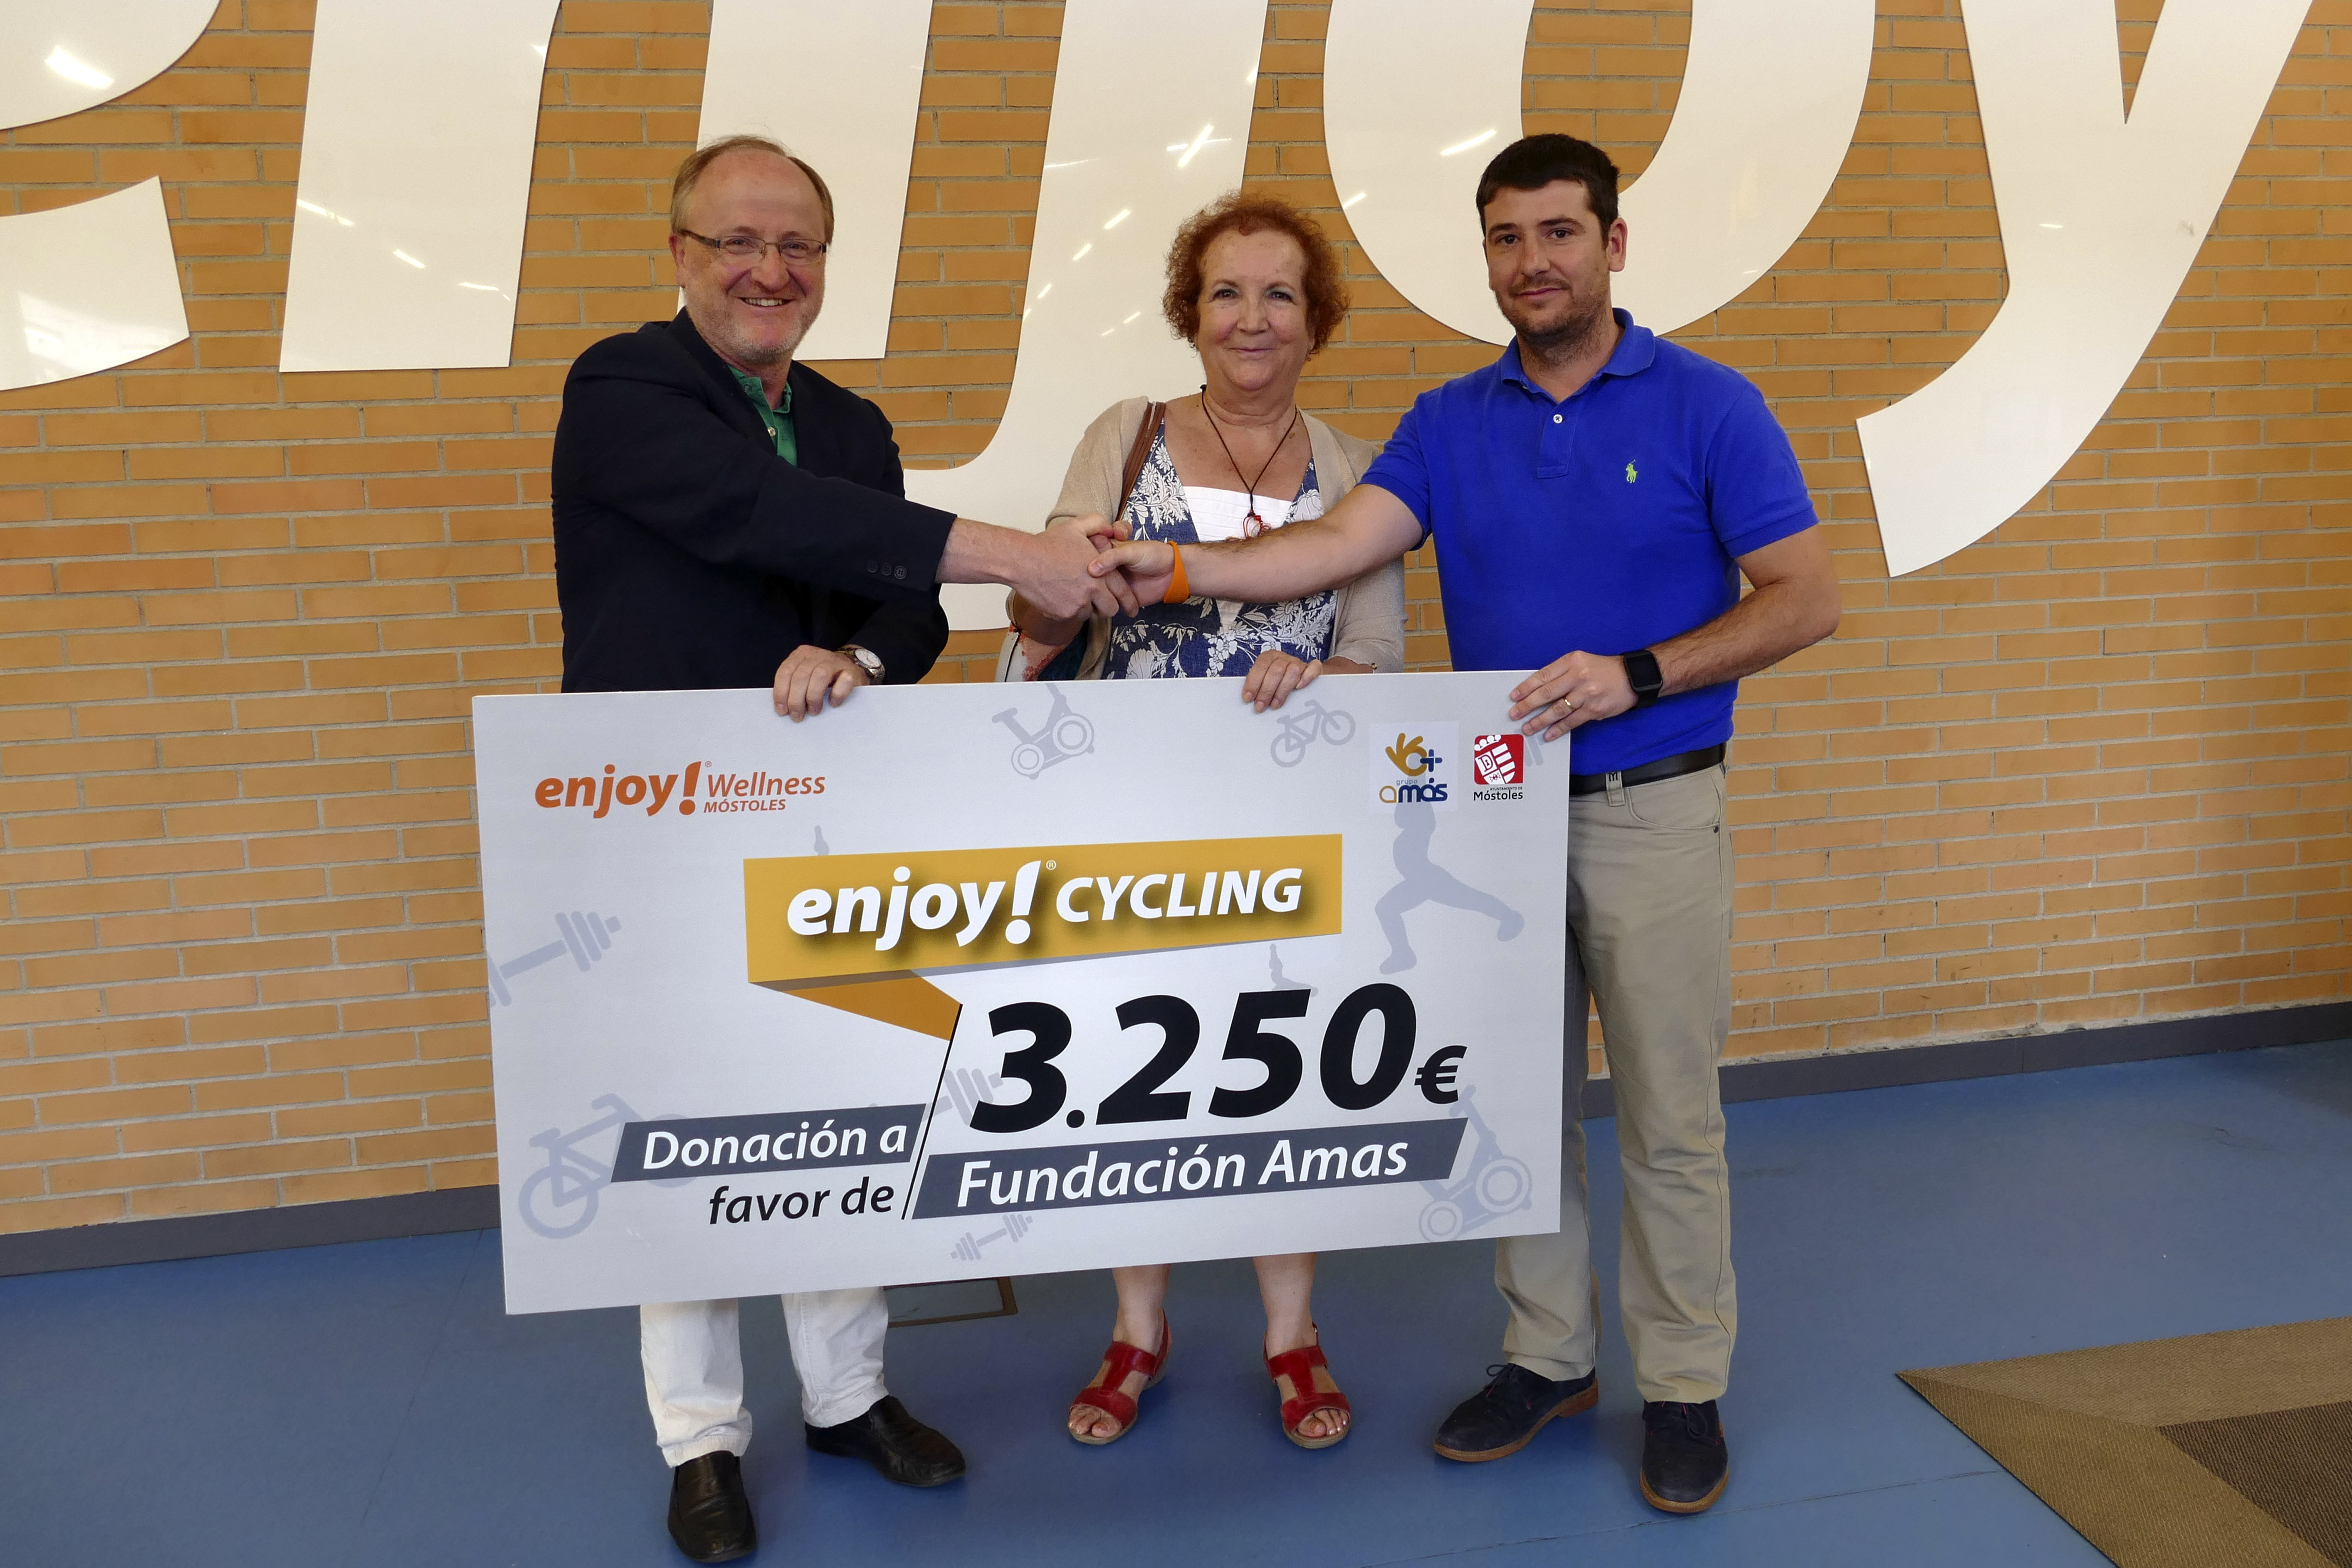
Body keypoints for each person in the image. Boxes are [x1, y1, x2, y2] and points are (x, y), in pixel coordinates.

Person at [1089, 134, 1841, 1514]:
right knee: (1516, 1110)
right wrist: (1178, 567)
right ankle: (1548, 1358)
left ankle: (1684, 1385)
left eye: (1559, 233)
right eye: (1507, 238)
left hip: (1654, 807)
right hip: (1498, 815)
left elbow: (1806, 596)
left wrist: (1641, 673)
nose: (1532, 262)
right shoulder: (1448, 421)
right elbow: (1332, 548)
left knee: (1670, 1121)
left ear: (1613, 245)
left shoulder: (1710, 406)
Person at [552, 134, 1141, 1565]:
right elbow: (765, 517)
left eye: (798, 247)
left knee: (844, 1108)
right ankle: (702, 1440)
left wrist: (865, 656)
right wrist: (1018, 552)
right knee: (686, 1135)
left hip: (826, 824)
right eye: (739, 242)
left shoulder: (849, 419)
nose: (770, 271)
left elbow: (902, 597)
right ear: (680, 255)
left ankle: (847, 1396)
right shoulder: (623, 388)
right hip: (664, 827)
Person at [1011, 192, 1406, 1451]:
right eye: (1227, 291)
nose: (1251, 317)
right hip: (1129, 823)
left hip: (1293, 831)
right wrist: (1063, 579)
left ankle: (1292, 1334)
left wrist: (1325, 677)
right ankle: (1140, 1329)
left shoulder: (1355, 469)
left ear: (1314, 319)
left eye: (1279, 294)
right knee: (1135, 1072)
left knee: (1280, 1071)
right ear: (1192, 311)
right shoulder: (1125, 436)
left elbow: (1379, 654)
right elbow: (1039, 620)